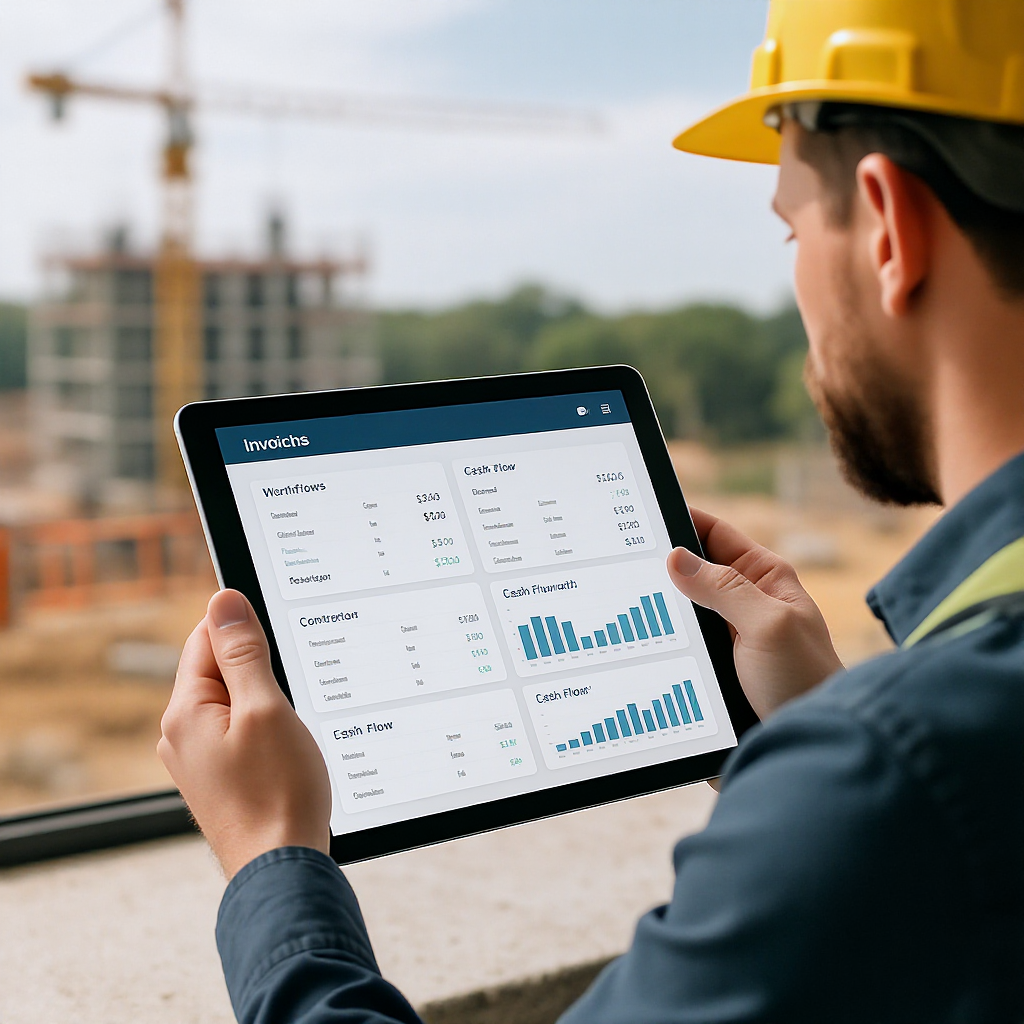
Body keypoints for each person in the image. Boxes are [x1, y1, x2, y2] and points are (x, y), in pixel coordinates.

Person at [158, 1, 1024, 1021]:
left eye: (791, 226)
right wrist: (806, 731)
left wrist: (270, 855)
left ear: (886, 226)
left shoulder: (903, 773)